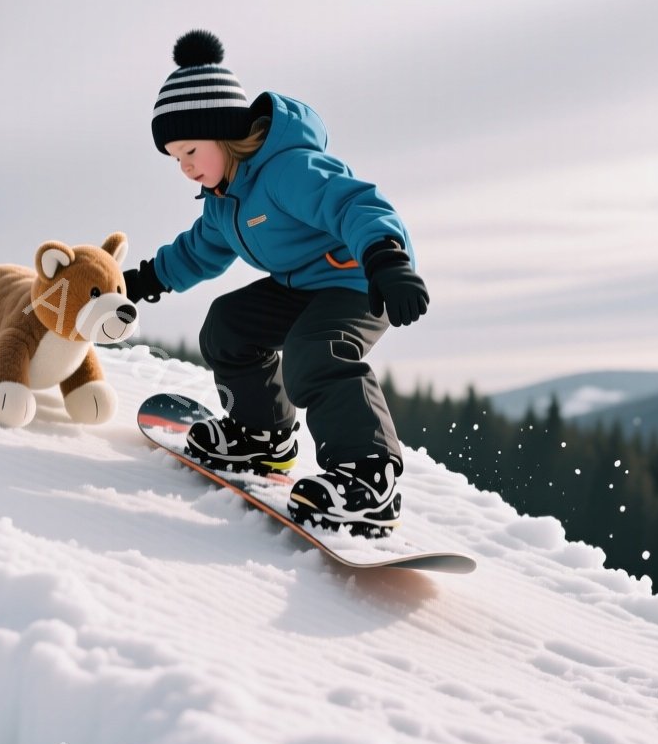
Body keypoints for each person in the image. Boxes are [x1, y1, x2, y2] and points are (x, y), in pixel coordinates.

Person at [122, 30, 430, 538]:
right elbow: (198, 251)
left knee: (317, 349)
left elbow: (355, 204)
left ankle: (369, 477)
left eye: (191, 150)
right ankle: (262, 435)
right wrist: (144, 279)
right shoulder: (225, 201)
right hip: (302, 287)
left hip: (361, 278)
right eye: (176, 158)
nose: (186, 167)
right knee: (228, 324)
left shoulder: (289, 169)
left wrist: (387, 260)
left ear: (222, 132)